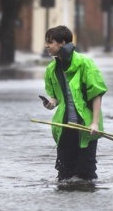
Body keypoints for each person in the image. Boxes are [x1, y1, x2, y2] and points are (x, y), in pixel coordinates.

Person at [42, 25, 107, 181]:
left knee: (86, 174)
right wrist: (51, 103)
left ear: (62, 43)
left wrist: (95, 123)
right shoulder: (51, 69)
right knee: (64, 176)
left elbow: (96, 94)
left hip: (86, 126)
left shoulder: (85, 64)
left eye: (50, 42)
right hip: (64, 127)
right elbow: (56, 97)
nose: (46, 46)